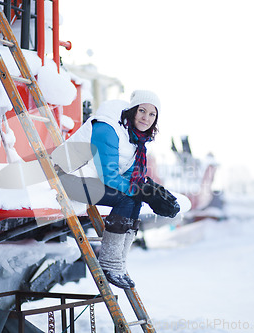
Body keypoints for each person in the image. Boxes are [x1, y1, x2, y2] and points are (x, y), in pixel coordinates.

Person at [52, 90, 180, 289]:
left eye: (152, 114)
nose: (146, 118)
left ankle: (118, 263)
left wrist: (152, 190)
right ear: (132, 111)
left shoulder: (134, 137)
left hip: (86, 178)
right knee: (127, 199)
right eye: (142, 111)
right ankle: (110, 263)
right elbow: (109, 176)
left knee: (134, 198)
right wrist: (143, 192)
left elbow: (130, 177)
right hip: (65, 177)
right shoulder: (107, 128)